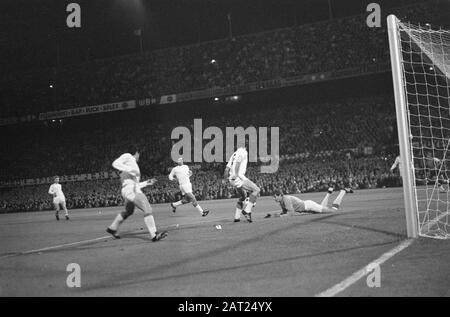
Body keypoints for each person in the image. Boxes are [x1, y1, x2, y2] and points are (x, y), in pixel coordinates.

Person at [106, 145, 167, 242]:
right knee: (147, 208)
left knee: (129, 211)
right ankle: (154, 235)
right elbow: (115, 163)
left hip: (127, 190)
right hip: (131, 190)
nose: (139, 157)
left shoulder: (131, 165)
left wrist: (147, 182)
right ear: (137, 153)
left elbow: (135, 183)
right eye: (139, 154)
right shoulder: (129, 157)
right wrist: (129, 169)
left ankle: (112, 228)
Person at [224, 146, 260, 223]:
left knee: (243, 196)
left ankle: (237, 217)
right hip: (238, 177)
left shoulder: (234, 154)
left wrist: (225, 179)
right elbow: (238, 163)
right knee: (256, 190)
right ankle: (247, 210)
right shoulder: (243, 152)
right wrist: (236, 175)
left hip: (232, 179)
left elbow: (226, 169)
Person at [266, 187, 346, 218]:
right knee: (322, 207)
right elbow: (285, 212)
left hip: (309, 206)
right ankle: (329, 193)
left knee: (333, 210)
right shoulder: (282, 201)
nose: (274, 198)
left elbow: (291, 213)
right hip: (307, 206)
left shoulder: (286, 199)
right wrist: (274, 215)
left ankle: (342, 192)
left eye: (275, 196)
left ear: (280, 195)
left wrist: (279, 216)